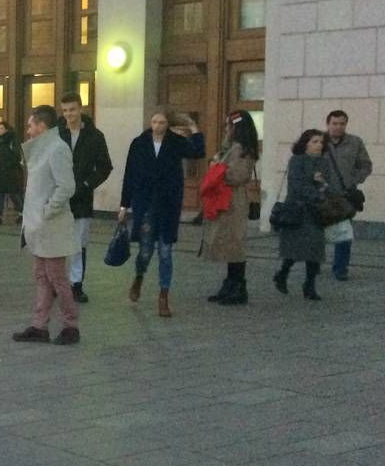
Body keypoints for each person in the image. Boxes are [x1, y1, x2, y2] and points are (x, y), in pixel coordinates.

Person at [118, 109, 205, 317]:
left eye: (162, 122)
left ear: (168, 124)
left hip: (168, 204)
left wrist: (193, 128)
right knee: (146, 251)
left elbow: (198, 152)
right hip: (145, 205)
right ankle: (139, 277)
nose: (157, 126)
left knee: (165, 252)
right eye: (155, 121)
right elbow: (129, 173)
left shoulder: (175, 142)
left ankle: (163, 296)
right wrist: (124, 205)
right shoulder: (139, 143)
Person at [12, 106, 79, 345]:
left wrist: (47, 211)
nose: (28, 130)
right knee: (41, 275)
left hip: (52, 224)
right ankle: (39, 326)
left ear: (42, 126)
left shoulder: (57, 149)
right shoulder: (42, 149)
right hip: (39, 225)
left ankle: (71, 325)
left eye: (31, 125)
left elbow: (67, 186)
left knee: (56, 277)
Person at [199, 110, 260, 305]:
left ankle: (238, 286)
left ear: (237, 127)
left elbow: (236, 176)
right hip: (225, 200)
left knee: (235, 242)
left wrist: (217, 166)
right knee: (228, 242)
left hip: (234, 201)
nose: (226, 129)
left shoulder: (243, 149)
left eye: (229, 126)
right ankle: (229, 283)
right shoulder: (231, 147)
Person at [275, 129, 341, 301]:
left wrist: (322, 184)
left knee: (315, 249)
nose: (319, 145)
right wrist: (317, 192)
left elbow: (329, 186)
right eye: (314, 142)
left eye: (320, 142)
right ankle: (283, 273)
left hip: (316, 213)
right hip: (297, 211)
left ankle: (309, 285)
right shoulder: (296, 161)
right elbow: (296, 185)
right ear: (305, 144)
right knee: (295, 249)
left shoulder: (324, 162)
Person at [57, 94, 112, 302]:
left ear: (80, 108)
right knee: (59, 244)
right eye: (65, 111)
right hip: (59, 199)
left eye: (72, 109)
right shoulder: (57, 134)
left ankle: (76, 285)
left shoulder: (95, 136)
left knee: (79, 244)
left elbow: (105, 167)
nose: (69, 115)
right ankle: (58, 284)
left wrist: (88, 184)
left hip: (81, 199)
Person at [324, 109, 372, 281]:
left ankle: (340, 268)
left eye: (342, 123)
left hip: (344, 195)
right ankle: (313, 264)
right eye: (334, 123)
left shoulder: (355, 142)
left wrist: (353, 181)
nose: (338, 127)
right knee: (316, 232)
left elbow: (365, 165)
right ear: (328, 124)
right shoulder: (318, 141)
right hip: (322, 195)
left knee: (343, 233)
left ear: (346, 124)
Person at [0, 120, 24, 224]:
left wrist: (9, 165)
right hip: (0, 170)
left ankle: (22, 213)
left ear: (7, 129)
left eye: (1, 128)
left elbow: (17, 155)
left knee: (14, 193)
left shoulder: (12, 140)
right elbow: (0, 155)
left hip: (10, 171)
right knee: (0, 193)